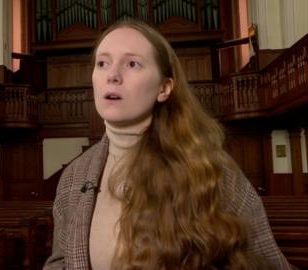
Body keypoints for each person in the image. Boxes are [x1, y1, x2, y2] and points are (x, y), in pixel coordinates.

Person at [43, 19, 293, 270]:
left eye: (132, 63)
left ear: (164, 88)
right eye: (102, 63)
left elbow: (269, 263)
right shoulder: (73, 176)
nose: (112, 75)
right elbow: (60, 262)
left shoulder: (211, 168)